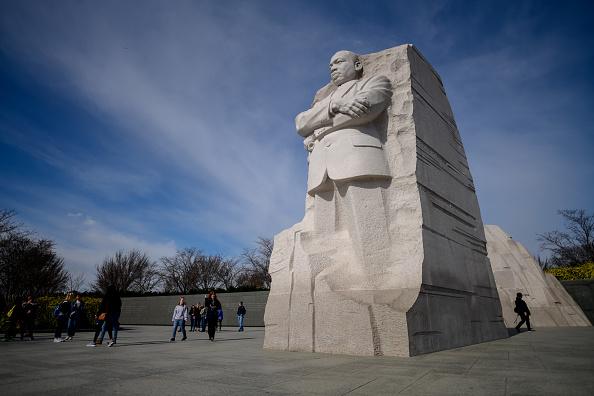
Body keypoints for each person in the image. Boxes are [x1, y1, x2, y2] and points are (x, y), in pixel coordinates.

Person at [295, 50, 393, 274]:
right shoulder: (327, 99)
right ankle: (332, 283)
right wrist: (334, 107)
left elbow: (366, 110)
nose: (332, 67)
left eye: (339, 62)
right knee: (325, 236)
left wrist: (318, 127)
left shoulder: (374, 82)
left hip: (357, 159)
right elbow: (300, 123)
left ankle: (377, 278)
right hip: (322, 168)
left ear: (357, 64)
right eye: (330, 65)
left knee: (370, 231)